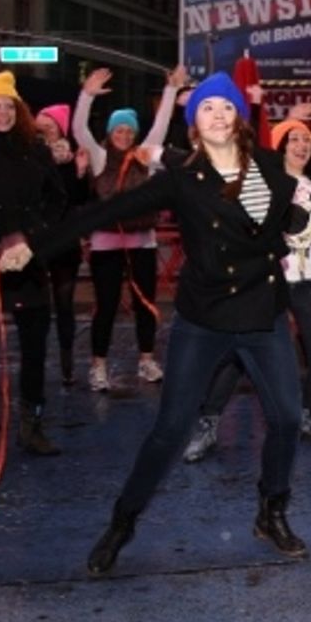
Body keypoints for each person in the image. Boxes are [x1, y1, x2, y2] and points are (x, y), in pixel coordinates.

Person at [0, 73, 311, 575]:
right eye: (206, 108)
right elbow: (108, 209)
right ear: (194, 125)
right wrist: (35, 247)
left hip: (261, 314)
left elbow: (278, 230)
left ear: (237, 119)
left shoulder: (272, 173)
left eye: (225, 108)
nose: (216, 115)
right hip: (204, 317)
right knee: (169, 431)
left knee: (287, 419)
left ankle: (271, 509)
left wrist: (294, 227)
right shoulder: (182, 179)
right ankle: (121, 524)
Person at [182, 117, 311, 463]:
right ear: (280, 146)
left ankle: (310, 414)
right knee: (237, 355)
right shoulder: (261, 183)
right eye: (294, 139)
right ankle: (208, 422)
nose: (302, 145)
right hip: (268, 282)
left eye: (307, 140)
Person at [0, 72, 67, 455]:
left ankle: (32, 425)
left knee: (35, 346)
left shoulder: (35, 151)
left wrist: (32, 237)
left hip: (25, 259)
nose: (3, 112)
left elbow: (57, 201)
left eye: (10, 106)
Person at [72, 67, 180, 390]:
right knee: (105, 306)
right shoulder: (99, 157)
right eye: (118, 130)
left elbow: (160, 126)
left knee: (146, 303)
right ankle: (98, 366)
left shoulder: (144, 156)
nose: (124, 135)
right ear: (109, 133)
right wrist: (87, 96)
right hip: (107, 244)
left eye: (128, 131)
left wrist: (171, 90)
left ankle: (147, 360)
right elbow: (78, 129)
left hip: (142, 243)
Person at [32, 103, 89, 387]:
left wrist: (79, 174)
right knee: (38, 305)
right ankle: (37, 361)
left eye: (49, 125)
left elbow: (78, 200)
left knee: (64, 303)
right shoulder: (29, 156)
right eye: (40, 125)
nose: (44, 129)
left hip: (65, 241)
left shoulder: (71, 158)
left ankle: (67, 361)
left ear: (60, 128)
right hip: (38, 241)